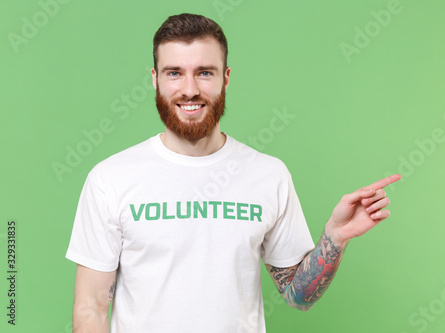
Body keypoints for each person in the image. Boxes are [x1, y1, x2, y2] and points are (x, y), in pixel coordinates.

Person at [66, 13, 401, 333]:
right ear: (155, 79)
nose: (190, 89)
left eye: (205, 72)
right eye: (174, 73)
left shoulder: (268, 175)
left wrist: (335, 237)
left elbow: (299, 296)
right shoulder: (111, 178)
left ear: (225, 77)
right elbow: (91, 307)